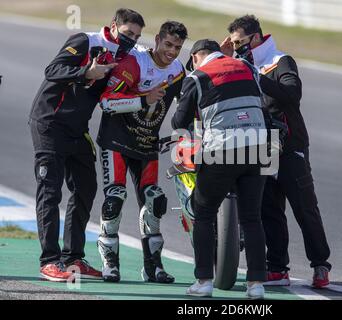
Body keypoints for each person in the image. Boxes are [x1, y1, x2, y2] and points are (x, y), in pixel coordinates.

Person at [29, 8, 145, 282]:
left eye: (137, 36)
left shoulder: (127, 56)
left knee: (86, 187)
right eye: (128, 33)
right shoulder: (86, 41)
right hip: (50, 123)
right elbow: (53, 70)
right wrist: (86, 72)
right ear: (114, 26)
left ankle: (73, 258)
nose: (132, 39)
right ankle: (49, 261)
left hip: (77, 130)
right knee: (50, 191)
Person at [221, 15, 332, 288]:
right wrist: (222, 56)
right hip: (262, 145)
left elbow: (293, 94)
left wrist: (257, 75)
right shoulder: (238, 62)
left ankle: (320, 264)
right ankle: (277, 267)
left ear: (256, 37)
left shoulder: (280, 60)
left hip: (291, 146)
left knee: (305, 208)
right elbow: (203, 72)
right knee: (269, 209)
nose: (237, 48)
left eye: (241, 42)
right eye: (233, 43)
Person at [172, 39, 268, 299]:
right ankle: (256, 285)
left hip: (222, 150)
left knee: (202, 213)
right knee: (252, 218)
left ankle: (204, 282)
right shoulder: (248, 67)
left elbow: (179, 121)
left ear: (195, 58)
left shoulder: (197, 76)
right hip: (260, 147)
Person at [96, 21, 188, 283]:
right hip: (116, 141)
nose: (171, 51)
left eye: (178, 47)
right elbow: (106, 102)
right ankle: (110, 263)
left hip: (147, 144)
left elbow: (188, 102)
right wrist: (142, 99)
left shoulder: (178, 71)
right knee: (115, 198)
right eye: (168, 44)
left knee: (154, 201)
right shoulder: (134, 63)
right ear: (157, 39)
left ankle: (153, 267)